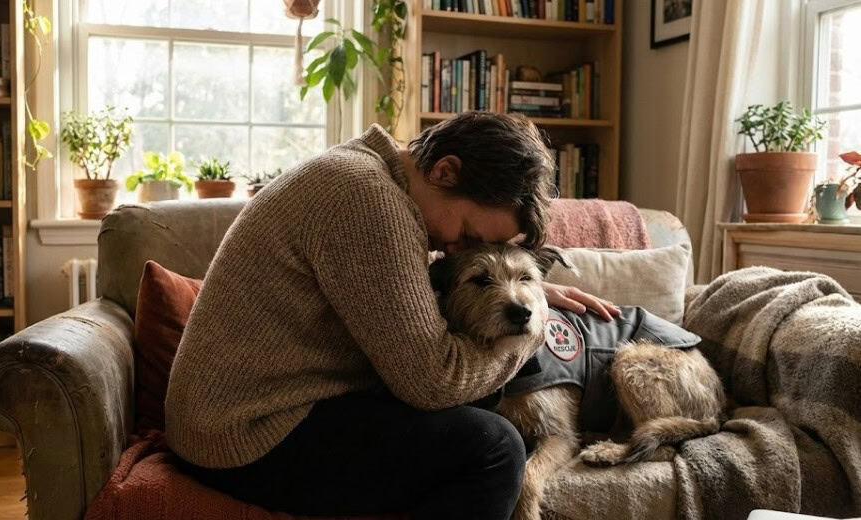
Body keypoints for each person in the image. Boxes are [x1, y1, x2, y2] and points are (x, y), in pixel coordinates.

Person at [164, 112, 619, 520]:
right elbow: (432, 382)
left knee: (475, 408)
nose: (457, 250)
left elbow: (389, 290)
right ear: (446, 170)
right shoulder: (368, 201)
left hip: (257, 409)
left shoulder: (364, 173)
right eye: (467, 234)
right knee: (494, 447)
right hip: (245, 434)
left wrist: (525, 285)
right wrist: (531, 322)